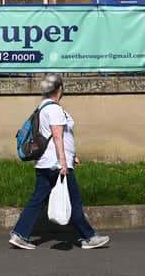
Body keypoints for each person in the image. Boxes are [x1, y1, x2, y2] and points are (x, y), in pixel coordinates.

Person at [9, 73, 110, 250]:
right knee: (74, 200)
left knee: (38, 199)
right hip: (56, 164)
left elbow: (62, 136)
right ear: (60, 89)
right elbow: (57, 137)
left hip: (44, 163)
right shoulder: (54, 109)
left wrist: (73, 154)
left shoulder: (42, 107)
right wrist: (64, 162)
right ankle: (89, 237)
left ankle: (19, 234)